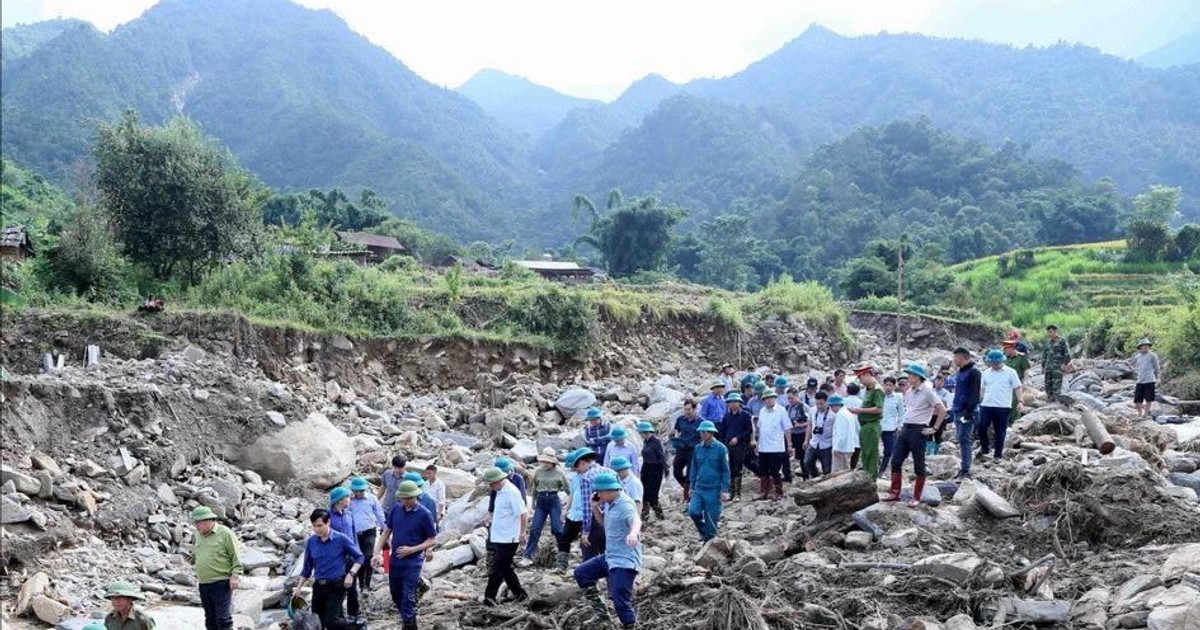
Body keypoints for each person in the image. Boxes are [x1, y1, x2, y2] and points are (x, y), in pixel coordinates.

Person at [575, 473, 643, 629]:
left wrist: (633, 533)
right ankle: (601, 612)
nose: (598, 495)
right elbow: (604, 523)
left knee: (620, 600)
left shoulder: (625, 504)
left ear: (608, 490)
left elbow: (636, 520)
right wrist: (595, 507)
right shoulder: (611, 504)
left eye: (599, 492)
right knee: (581, 573)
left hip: (625, 561)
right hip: (610, 557)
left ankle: (630, 625)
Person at [373, 481, 436, 630]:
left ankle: (408, 624)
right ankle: (410, 621)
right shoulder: (396, 509)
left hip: (413, 562)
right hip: (395, 561)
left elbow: (432, 539)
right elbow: (386, 532)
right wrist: (376, 553)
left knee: (408, 597)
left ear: (415, 497)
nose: (405, 501)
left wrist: (413, 549)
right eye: (403, 498)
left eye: (408, 498)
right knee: (396, 596)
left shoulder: (424, 514)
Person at [882, 365, 947, 508]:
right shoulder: (909, 391)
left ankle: (917, 496)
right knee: (896, 460)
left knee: (919, 464)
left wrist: (934, 428)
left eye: (910, 375)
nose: (908, 378)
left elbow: (942, 409)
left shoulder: (928, 391)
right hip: (906, 428)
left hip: (919, 429)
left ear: (918, 377)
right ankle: (894, 492)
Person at [295, 509, 365, 630]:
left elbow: (360, 557)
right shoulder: (312, 542)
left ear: (328, 522)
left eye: (320, 525)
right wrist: (299, 587)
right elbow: (307, 567)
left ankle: (357, 625)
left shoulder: (341, 539)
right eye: (314, 526)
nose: (317, 529)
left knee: (331, 621)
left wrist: (351, 574)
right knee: (318, 622)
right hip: (318, 586)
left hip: (336, 585)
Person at [190, 506, 242, 630]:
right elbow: (198, 554)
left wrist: (235, 576)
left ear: (208, 520)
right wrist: (192, 559)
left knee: (223, 619)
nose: (196, 526)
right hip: (204, 583)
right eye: (195, 522)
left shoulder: (225, 533)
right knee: (210, 619)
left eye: (198, 522)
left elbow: (236, 555)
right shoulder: (198, 535)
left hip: (221, 582)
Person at [483, 467, 529, 606]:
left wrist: (522, 533)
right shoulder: (500, 491)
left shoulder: (511, 492)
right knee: (504, 567)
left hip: (510, 537)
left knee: (498, 567)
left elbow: (523, 513)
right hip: (500, 535)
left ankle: (489, 598)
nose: (490, 486)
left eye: (491, 483)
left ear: (498, 481)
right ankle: (520, 594)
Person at [561, 448, 616, 564]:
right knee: (609, 555)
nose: (578, 471)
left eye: (577, 468)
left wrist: (586, 531)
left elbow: (588, 506)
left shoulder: (586, 478)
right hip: (613, 516)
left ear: (582, 463)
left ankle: (591, 581)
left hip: (595, 520)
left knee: (589, 553)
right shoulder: (610, 472)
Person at [688, 421, 731, 541]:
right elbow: (694, 469)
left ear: (712, 432)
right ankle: (703, 532)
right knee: (693, 512)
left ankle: (708, 545)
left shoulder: (721, 449)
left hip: (714, 490)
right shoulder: (698, 448)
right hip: (700, 488)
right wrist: (691, 487)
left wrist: (725, 490)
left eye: (705, 431)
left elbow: (725, 471)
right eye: (701, 432)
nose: (702, 434)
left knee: (711, 520)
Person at [523, 448, 568, 562]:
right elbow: (534, 488)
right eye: (544, 461)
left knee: (557, 529)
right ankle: (528, 555)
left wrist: (569, 505)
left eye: (547, 462)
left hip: (554, 500)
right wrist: (532, 503)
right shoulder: (538, 472)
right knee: (535, 529)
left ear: (553, 462)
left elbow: (568, 489)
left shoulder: (559, 473)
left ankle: (563, 553)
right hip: (541, 501)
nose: (545, 464)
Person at [979, 349, 1023, 463]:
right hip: (987, 404)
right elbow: (982, 388)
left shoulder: (1010, 372)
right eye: (992, 363)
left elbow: (1017, 387)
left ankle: (997, 455)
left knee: (1000, 431)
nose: (994, 365)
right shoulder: (986, 373)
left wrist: (1020, 401)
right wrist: (979, 400)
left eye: (996, 363)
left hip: (1003, 406)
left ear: (1002, 361)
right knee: (982, 426)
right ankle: (985, 449)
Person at [328, 488, 362, 622]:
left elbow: (354, 536)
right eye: (348, 497)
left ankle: (354, 614)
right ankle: (337, 617)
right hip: (336, 558)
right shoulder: (328, 516)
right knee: (337, 588)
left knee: (353, 587)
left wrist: (357, 553)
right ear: (340, 500)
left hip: (351, 557)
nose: (350, 499)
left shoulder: (349, 514)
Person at [348, 478, 385, 595]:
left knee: (369, 556)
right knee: (359, 557)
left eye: (361, 491)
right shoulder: (349, 501)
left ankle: (367, 585)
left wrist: (386, 529)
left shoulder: (372, 499)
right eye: (357, 491)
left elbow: (379, 514)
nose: (359, 493)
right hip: (355, 534)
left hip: (369, 531)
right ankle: (361, 583)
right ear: (353, 491)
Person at [949, 347, 982, 479]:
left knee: (965, 440)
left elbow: (975, 393)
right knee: (961, 439)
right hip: (958, 410)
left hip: (967, 412)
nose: (955, 360)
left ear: (965, 358)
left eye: (957, 358)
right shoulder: (960, 371)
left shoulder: (974, 372)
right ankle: (964, 467)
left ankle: (966, 469)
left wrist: (968, 412)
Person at [754, 389, 791, 499]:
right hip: (764, 446)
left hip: (776, 446)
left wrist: (789, 444)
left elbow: (787, 429)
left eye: (771, 398)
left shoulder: (781, 410)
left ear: (775, 398)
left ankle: (778, 492)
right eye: (767, 398)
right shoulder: (762, 411)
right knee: (763, 470)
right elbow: (760, 429)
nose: (769, 400)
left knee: (775, 470)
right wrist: (758, 444)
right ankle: (764, 492)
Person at [849, 364, 885, 479]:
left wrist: (860, 410)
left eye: (861, 378)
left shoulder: (877, 390)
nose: (860, 381)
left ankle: (872, 479)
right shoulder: (868, 389)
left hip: (871, 425)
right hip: (865, 426)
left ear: (867, 374)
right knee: (865, 454)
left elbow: (878, 409)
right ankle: (867, 477)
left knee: (871, 454)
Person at [719, 392, 753, 500]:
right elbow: (722, 431)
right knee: (729, 468)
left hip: (740, 445)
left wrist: (737, 438)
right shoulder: (726, 417)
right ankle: (731, 493)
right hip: (728, 445)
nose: (733, 404)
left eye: (735, 402)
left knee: (737, 468)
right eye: (731, 402)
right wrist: (723, 443)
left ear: (740, 403)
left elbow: (749, 430)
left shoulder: (745, 415)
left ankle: (738, 494)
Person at [671, 401, 702, 503]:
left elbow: (703, 436)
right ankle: (688, 489)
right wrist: (674, 437)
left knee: (690, 474)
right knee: (676, 471)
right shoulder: (681, 419)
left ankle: (687, 498)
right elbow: (676, 430)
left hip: (693, 450)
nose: (686, 412)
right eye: (685, 409)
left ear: (694, 409)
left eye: (689, 409)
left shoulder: (700, 422)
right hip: (681, 448)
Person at [637, 421, 667, 521]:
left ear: (646, 432)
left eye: (641, 433)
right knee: (644, 494)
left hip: (655, 469)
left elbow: (661, 456)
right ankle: (645, 516)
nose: (640, 435)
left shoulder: (656, 441)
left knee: (653, 495)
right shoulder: (646, 441)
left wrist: (666, 470)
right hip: (646, 468)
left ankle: (660, 517)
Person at [803, 391, 835, 478]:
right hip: (814, 442)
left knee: (827, 468)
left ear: (826, 402)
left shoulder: (833, 413)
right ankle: (815, 476)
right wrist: (806, 440)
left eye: (821, 404)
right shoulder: (812, 410)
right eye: (817, 404)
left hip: (827, 444)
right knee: (807, 462)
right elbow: (809, 425)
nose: (819, 406)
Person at [879, 376, 905, 476]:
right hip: (878, 426)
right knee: (874, 450)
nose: (888, 387)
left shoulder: (898, 397)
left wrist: (899, 426)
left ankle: (881, 471)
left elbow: (901, 414)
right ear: (883, 385)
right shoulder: (879, 395)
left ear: (894, 387)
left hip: (890, 428)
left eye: (890, 385)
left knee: (888, 451)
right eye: (886, 385)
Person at [1003, 340, 1032, 425]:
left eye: (1007, 349)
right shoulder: (1004, 358)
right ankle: (1005, 423)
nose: (1005, 351)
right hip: (1005, 384)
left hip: (1017, 383)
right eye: (1005, 349)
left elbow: (1026, 370)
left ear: (1012, 348)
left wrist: (1026, 382)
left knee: (1016, 402)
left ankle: (1015, 423)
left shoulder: (1021, 357)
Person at [829, 395, 860, 473]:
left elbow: (841, 434)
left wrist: (836, 447)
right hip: (849, 447)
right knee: (845, 471)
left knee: (837, 473)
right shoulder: (848, 413)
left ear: (835, 405)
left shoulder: (841, 415)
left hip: (841, 449)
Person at [1041, 325, 1073, 398]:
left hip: (1057, 368)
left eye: (1051, 332)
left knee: (1056, 386)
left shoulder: (1062, 341)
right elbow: (1044, 355)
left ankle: (1056, 401)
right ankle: (1049, 400)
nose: (1049, 334)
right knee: (1048, 386)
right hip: (1048, 367)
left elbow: (1067, 354)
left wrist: (1064, 364)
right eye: (1048, 332)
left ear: (1055, 331)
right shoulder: (1048, 342)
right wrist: (1043, 366)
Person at [785, 387, 809, 479]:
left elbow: (811, 421)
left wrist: (800, 424)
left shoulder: (804, 407)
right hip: (791, 433)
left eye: (791, 398)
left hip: (802, 434)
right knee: (785, 454)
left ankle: (806, 475)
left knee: (802, 457)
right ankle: (787, 475)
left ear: (796, 396)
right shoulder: (787, 407)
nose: (790, 400)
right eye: (788, 398)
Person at [1134, 338, 1161, 418]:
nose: (1146, 347)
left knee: (1148, 398)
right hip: (1140, 380)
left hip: (1149, 380)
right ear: (1140, 347)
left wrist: (1158, 378)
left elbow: (1157, 368)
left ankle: (1145, 414)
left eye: (1147, 346)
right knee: (1137, 399)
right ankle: (1139, 412)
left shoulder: (1152, 355)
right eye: (1144, 346)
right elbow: (1133, 365)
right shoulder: (1137, 357)